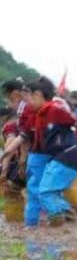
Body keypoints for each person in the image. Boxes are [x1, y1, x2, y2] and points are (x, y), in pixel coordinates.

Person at [24, 77, 77, 226]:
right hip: (59, 158)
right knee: (50, 193)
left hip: (68, 156)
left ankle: (60, 228)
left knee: (45, 193)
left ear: (37, 95)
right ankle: (72, 223)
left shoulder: (54, 109)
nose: (27, 102)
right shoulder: (40, 114)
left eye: (28, 98)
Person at [1, 80, 28, 224]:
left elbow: (11, 142)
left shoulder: (11, 124)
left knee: (12, 189)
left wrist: (4, 170)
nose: (8, 102)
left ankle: (16, 225)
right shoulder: (37, 106)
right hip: (54, 157)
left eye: (8, 98)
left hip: (31, 158)